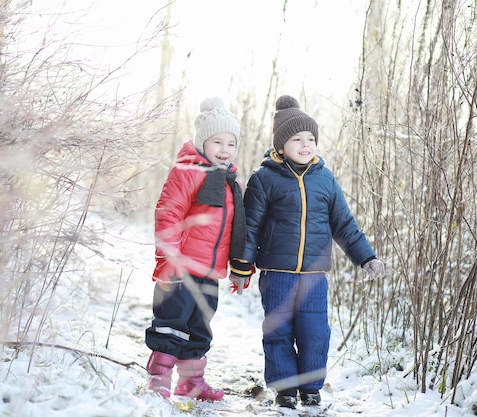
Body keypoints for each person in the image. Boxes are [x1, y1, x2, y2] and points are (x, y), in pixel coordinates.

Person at [228, 95, 385, 409]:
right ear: (281, 145)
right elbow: (250, 228)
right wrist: (242, 268)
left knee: (315, 332)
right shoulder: (264, 179)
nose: (305, 144)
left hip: (314, 275)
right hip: (277, 275)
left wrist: (366, 256)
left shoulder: (325, 179)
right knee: (279, 333)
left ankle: (310, 388)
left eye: (311, 138)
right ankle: (285, 389)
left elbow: (344, 223)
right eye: (297, 138)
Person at [145, 96, 248, 401]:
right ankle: (159, 378)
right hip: (181, 266)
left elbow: (235, 229)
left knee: (199, 328)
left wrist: (240, 267)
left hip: (209, 271)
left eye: (231, 144)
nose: (225, 149)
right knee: (171, 323)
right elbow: (169, 211)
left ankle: (190, 382)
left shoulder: (232, 183)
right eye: (218, 142)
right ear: (203, 142)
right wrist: (169, 256)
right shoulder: (188, 170)